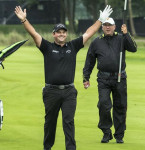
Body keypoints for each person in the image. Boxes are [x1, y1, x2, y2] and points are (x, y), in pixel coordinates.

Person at [14, 5, 113, 150]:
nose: (61, 34)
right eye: (58, 32)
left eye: (63, 32)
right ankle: (47, 147)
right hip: (51, 92)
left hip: (69, 92)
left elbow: (88, 33)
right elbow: (34, 34)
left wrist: (100, 20)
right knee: (50, 122)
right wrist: (24, 20)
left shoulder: (72, 46)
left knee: (68, 122)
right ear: (54, 34)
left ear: (66, 34)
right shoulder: (47, 47)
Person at [83, 18, 137, 144]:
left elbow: (134, 48)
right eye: (105, 25)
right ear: (102, 27)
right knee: (103, 104)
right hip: (103, 78)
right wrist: (86, 77)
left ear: (114, 26)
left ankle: (119, 134)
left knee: (120, 106)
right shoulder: (97, 42)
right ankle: (106, 132)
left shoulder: (122, 39)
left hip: (120, 78)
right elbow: (89, 61)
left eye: (110, 25)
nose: (107, 27)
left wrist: (126, 34)